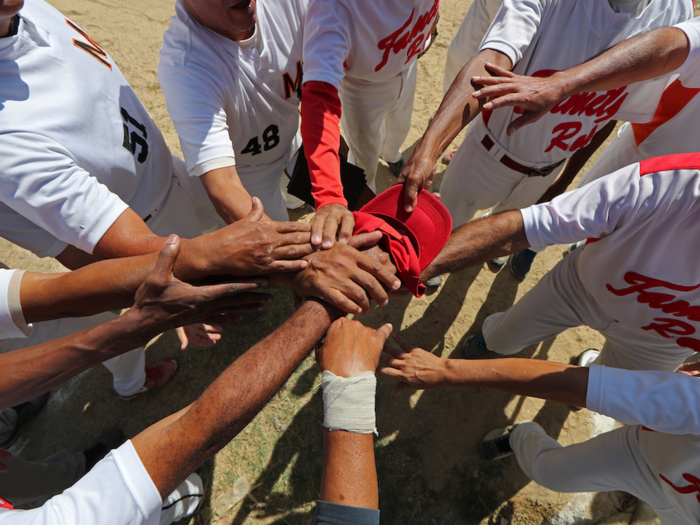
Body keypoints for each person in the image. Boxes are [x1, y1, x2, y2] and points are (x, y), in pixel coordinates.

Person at [397, 0, 689, 237]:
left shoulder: (677, 15)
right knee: (445, 224)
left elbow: (613, 113)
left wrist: (563, 180)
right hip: (486, 156)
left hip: (548, 170)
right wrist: (429, 147)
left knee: (496, 231)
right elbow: (492, 62)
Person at [419, 151, 700, 372]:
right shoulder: (672, 181)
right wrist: (427, 264)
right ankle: (491, 341)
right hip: (580, 289)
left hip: (660, 341)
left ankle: (592, 369)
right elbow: (533, 224)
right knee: (503, 339)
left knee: (610, 390)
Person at [380, 337, 700, 525]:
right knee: (551, 471)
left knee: (555, 474)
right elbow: (579, 386)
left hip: (682, 506)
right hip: (649, 449)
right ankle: (520, 434)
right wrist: (446, 370)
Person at [300, 0, 439, 250]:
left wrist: (429, 28)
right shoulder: (335, 6)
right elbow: (318, 99)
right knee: (365, 158)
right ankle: (372, 213)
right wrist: (330, 194)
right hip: (362, 86)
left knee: (400, 128)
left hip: (408, 63)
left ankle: (392, 154)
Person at [158, 0, 307, 223]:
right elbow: (223, 183)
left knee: (300, 200)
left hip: (293, 137)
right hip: (247, 172)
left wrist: (325, 137)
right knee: (277, 228)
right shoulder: (186, 66)